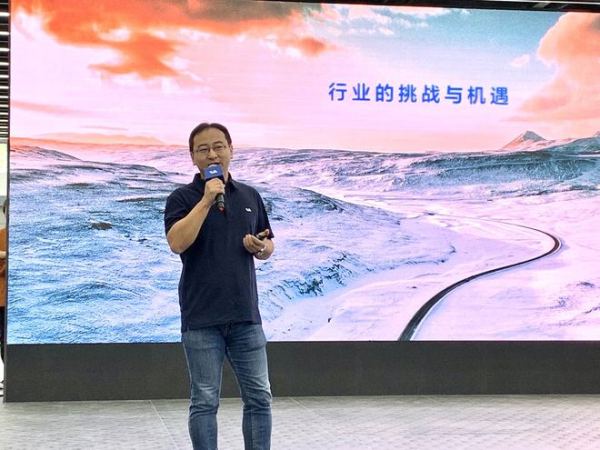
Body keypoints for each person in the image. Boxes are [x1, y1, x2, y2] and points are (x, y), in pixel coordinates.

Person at [164, 123, 274, 450]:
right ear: (193, 157)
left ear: (230, 150)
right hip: (201, 318)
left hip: (246, 316)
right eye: (203, 149)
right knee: (204, 401)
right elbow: (177, 243)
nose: (212, 154)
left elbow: (268, 241)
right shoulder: (181, 198)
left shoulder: (250, 196)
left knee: (259, 397)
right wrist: (206, 200)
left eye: (218, 146)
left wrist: (262, 248)